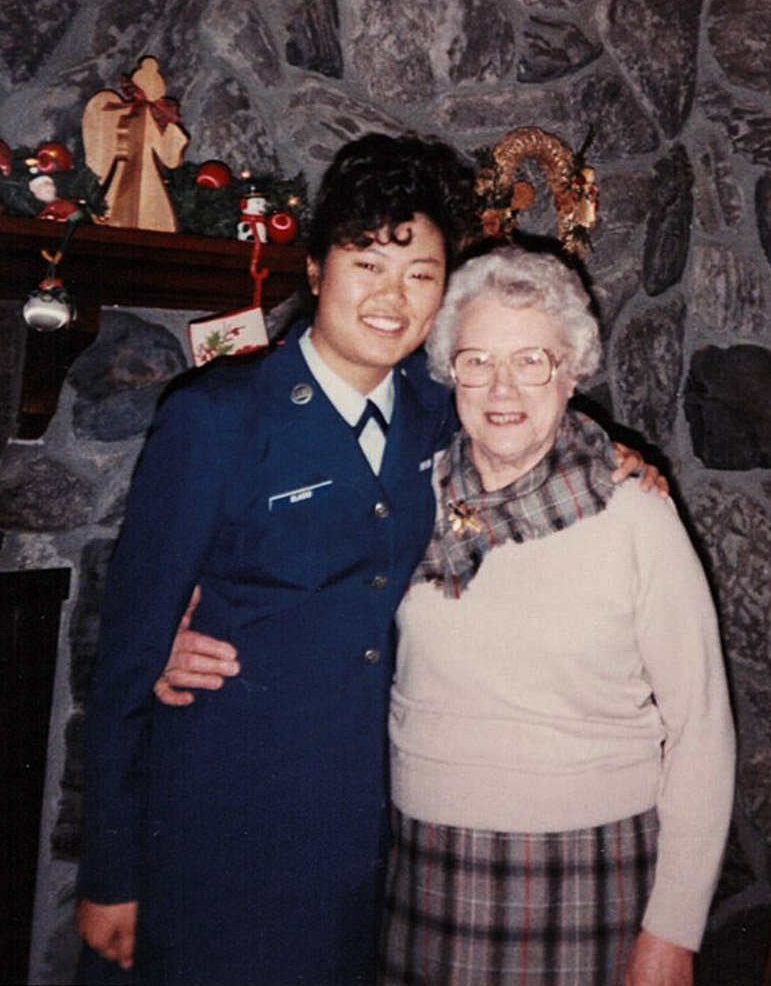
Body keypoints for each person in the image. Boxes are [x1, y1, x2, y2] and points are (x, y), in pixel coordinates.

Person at [76, 132, 663, 986]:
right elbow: (127, 665)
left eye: (420, 273)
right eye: (367, 263)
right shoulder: (218, 419)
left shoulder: (439, 407)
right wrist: (111, 872)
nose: (394, 297)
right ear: (315, 270)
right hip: (216, 824)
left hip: (365, 828)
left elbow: (531, 414)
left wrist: (614, 454)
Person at [377, 247, 735, 986]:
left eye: (531, 360)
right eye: (476, 361)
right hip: (424, 866)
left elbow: (700, 726)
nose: (501, 387)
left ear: (571, 371)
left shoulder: (636, 512)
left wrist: (673, 928)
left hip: (591, 870)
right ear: (449, 373)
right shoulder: (408, 495)